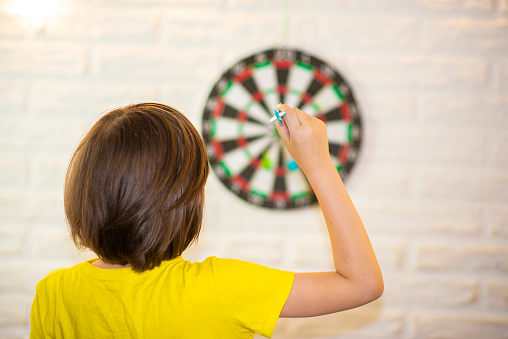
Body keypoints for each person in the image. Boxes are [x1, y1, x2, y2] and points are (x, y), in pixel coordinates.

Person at [30, 102, 383, 339]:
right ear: (191, 199)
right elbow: (362, 283)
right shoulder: (222, 288)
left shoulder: (53, 294)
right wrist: (318, 163)